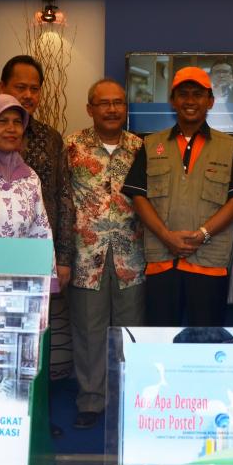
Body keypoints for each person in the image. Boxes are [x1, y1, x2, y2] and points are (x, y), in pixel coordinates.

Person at [123, 66, 233, 326]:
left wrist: (203, 233)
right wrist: (166, 237)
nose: (190, 101)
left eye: (198, 94)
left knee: (206, 339)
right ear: (173, 101)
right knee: (160, 339)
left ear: (210, 101)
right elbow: (139, 197)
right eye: (183, 94)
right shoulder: (151, 144)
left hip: (209, 263)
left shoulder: (230, 147)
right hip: (162, 263)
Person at [64, 79, 146, 430]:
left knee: (131, 329)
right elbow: (61, 200)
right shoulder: (71, 146)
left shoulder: (141, 147)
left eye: (118, 103)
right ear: (90, 108)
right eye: (104, 103)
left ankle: (130, 397)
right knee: (88, 329)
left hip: (132, 254)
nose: (112, 109)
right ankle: (91, 399)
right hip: (86, 255)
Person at [0, 55, 75, 389]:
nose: (28, 95)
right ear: (2, 87)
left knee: (36, 342)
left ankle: (36, 409)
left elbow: (64, 198)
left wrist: (63, 258)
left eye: (34, 88)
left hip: (38, 259)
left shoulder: (51, 138)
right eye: (20, 87)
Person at [0, 93, 52, 242]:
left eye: (17, 122)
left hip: (22, 258)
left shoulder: (30, 177)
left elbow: (41, 234)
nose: (11, 128)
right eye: (3, 121)